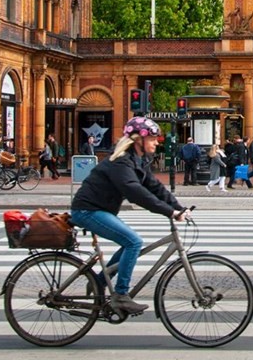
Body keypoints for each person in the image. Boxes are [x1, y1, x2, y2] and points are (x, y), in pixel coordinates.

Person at [70, 116, 190, 316]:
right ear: (138, 140)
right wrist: (169, 212)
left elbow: (154, 186)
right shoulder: (121, 161)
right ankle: (121, 295)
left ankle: (98, 283)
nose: (156, 142)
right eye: (152, 138)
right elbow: (134, 191)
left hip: (100, 209)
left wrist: (179, 207)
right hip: (87, 210)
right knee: (133, 242)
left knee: (130, 242)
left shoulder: (137, 160)